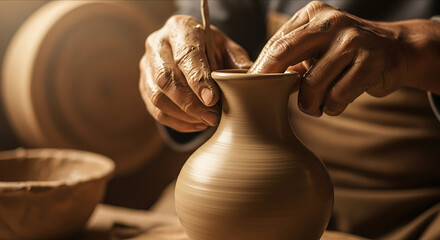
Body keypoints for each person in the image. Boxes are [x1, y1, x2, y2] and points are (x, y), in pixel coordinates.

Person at [139, 1, 440, 239]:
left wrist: (412, 46)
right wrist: (179, 56)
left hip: (417, 208)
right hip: (252, 196)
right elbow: (206, 22)